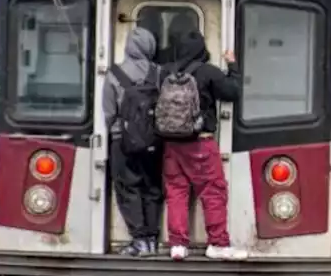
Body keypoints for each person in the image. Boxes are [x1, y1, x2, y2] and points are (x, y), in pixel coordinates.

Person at [158, 29, 245, 260]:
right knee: (213, 191)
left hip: (171, 143)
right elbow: (233, 92)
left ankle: (177, 244)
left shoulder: (166, 72)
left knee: (176, 192)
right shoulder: (208, 73)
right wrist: (233, 67)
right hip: (200, 143)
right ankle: (217, 243)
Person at [102, 27, 164, 257]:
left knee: (128, 188)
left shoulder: (114, 74)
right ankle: (152, 239)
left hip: (123, 141)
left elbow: (108, 113)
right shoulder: (158, 73)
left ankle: (138, 241)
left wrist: (115, 131)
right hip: (154, 142)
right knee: (152, 189)